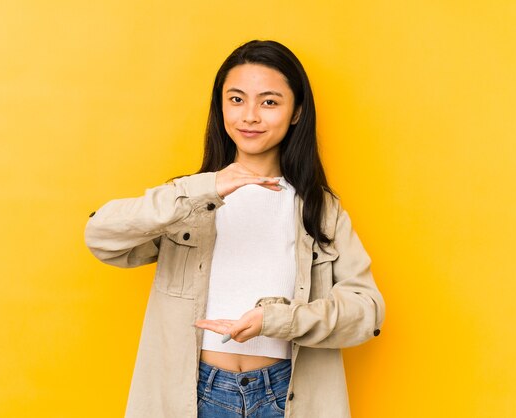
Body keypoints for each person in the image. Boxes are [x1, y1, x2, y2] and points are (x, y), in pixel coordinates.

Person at [85, 40, 385, 418]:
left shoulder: (320, 209)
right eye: (237, 99)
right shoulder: (190, 200)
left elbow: (367, 311)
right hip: (194, 396)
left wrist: (277, 320)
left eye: (270, 102)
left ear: (296, 113)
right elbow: (101, 236)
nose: (251, 116)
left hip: (284, 395)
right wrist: (206, 187)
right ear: (221, 106)